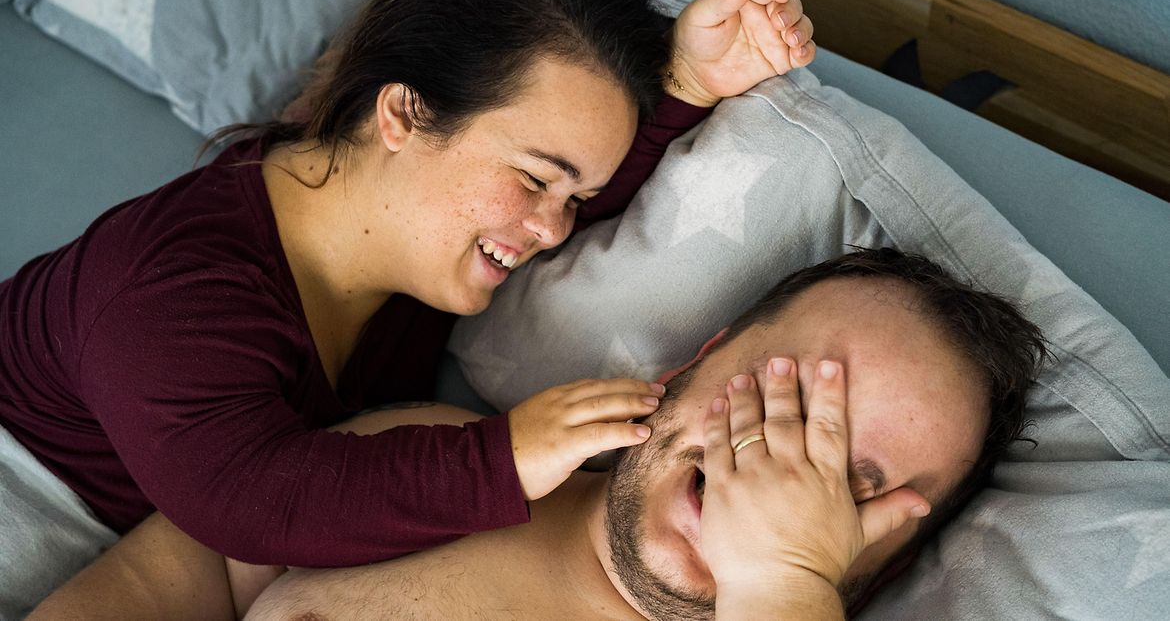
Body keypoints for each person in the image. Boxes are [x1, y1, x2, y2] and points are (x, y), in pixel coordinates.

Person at [0, 0, 819, 613]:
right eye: (536, 181)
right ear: (404, 115)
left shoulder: (387, 223)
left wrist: (689, 82)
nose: (555, 227)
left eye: (570, 197)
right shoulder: (168, 296)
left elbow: (573, 175)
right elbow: (243, 501)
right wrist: (502, 459)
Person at [32, 249, 1048, 619]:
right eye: (773, 400)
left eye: (843, 477)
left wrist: (781, 579)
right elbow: (193, 569)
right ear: (692, 362)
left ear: (874, 566)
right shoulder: (435, 453)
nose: (770, 469)